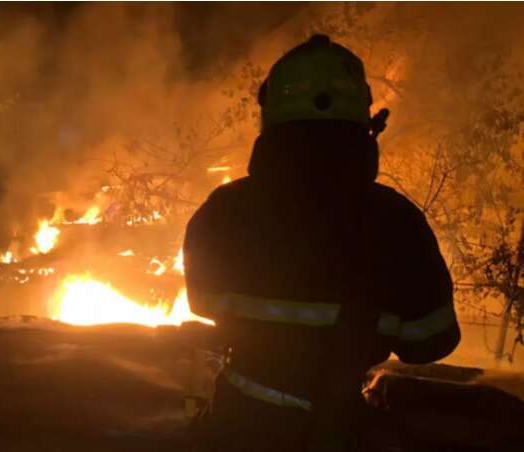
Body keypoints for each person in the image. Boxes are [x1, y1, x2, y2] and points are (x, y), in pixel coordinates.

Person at [184, 34, 460, 452]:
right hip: (339, 429)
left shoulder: (223, 210)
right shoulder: (397, 222)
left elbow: (202, 301)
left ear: (271, 114)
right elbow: (431, 340)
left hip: (234, 425)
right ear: (363, 120)